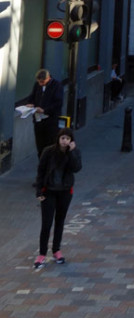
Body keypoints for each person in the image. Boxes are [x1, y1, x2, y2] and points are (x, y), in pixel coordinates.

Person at [34, 128, 82, 269]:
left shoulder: (74, 152)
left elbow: (77, 168)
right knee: (46, 223)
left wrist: (72, 152)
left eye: (67, 138)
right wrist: (39, 191)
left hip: (65, 192)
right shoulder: (48, 152)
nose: (64, 141)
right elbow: (41, 171)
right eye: (62, 138)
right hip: (49, 191)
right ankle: (42, 253)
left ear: (71, 140)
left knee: (60, 221)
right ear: (58, 139)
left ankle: (56, 250)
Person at [26, 69, 63, 158]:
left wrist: (44, 110)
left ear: (48, 78)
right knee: (40, 144)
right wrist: (30, 103)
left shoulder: (57, 86)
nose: (40, 84)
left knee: (50, 144)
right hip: (38, 120)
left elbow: (58, 103)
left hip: (51, 120)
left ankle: (50, 164)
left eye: (42, 82)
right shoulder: (37, 85)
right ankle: (42, 162)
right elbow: (32, 96)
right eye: (39, 82)